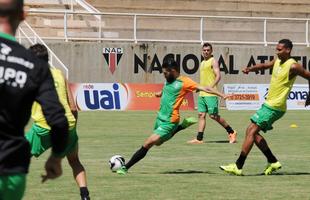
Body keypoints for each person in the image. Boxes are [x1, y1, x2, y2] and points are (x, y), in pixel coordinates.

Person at [0, 1, 69, 200]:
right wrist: (55, 158)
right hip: (11, 170)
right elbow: (58, 119)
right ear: (23, 15)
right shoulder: (34, 65)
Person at [116, 58, 231, 175]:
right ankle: (181, 127)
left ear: (173, 71)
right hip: (160, 118)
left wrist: (222, 94)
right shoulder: (168, 79)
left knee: (147, 143)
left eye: (165, 73)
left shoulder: (185, 82)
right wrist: (159, 93)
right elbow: (167, 88)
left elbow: (205, 88)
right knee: (158, 143)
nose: (164, 75)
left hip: (171, 120)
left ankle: (125, 168)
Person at [220, 39, 310, 176]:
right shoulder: (278, 61)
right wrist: (251, 69)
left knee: (250, 131)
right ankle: (272, 161)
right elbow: (265, 66)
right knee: (253, 133)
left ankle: (238, 166)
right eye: (276, 49)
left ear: (288, 50)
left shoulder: (293, 66)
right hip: (269, 104)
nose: (277, 51)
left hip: (275, 106)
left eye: (280, 49)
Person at [26, 44, 90, 200]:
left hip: (44, 127)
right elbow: (73, 108)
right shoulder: (60, 74)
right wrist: (72, 130)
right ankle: (85, 196)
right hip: (67, 125)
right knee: (74, 161)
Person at [187, 43, 237, 144]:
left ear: (211, 51)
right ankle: (199, 139)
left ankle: (231, 132)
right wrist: (199, 88)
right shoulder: (202, 63)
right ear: (202, 51)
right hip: (202, 93)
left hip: (211, 94)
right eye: (204, 50)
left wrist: (211, 86)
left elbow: (218, 76)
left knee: (213, 116)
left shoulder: (213, 61)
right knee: (201, 115)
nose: (206, 52)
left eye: (208, 50)